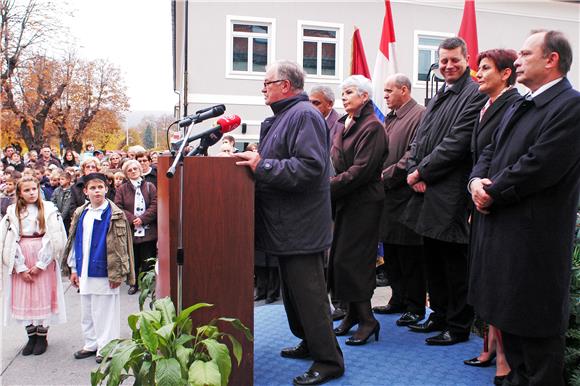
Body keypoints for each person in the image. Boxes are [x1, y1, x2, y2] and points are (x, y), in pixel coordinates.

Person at [469, 30, 580, 385]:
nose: (516, 60)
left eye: (525, 54)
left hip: (534, 242)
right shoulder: (520, 101)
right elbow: (489, 150)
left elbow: (539, 165)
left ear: (552, 60)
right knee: (511, 329)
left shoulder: (571, 106)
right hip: (501, 232)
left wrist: (492, 192)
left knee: (537, 341)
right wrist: (475, 182)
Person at [236, 60, 344, 386]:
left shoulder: (304, 115)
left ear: (285, 85)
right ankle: (310, 342)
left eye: (267, 83)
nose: (262, 88)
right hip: (286, 226)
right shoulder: (286, 116)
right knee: (294, 295)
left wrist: (263, 165)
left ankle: (329, 360)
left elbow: (311, 167)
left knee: (309, 296)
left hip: (301, 227)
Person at [401, 37, 487, 345]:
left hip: (450, 193)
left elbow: (457, 142)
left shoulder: (474, 93)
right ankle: (437, 315)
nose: (448, 66)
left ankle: (457, 325)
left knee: (454, 264)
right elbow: (420, 138)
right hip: (427, 190)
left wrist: (421, 171)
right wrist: (416, 169)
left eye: (455, 60)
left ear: (467, 61)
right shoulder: (439, 95)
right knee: (433, 260)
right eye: (443, 61)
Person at [462, 48, 520, 385]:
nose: (478, 74)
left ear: (506, 73)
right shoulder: (486, 105)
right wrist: (474, 190)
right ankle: (488, 347)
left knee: (497, 281)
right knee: (484, 278)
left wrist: (488, 193)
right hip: (480, 197)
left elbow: (506, 156)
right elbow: (481, 154)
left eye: (485, 69)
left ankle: (502, 356)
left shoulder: (513, 105)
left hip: (498, 201)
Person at [328, 75, 387, 346]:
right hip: (345, 200)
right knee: (341, 259)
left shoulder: (373, 126)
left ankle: (367, 319)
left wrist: (327, 187)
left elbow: (361, 170)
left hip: (363, 201)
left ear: (365, 96)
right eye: (343, 92)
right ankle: (351, 314)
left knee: (357, 261)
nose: (344, 96)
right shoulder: (343, 123)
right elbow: (337, 159)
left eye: (349, 92)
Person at [62, 172, 135, 363]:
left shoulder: (115, 214)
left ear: (106, 189)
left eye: (100, 187)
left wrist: (118, 273)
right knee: (87, 310)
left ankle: (107, 347)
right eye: (92, 188)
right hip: (84, 268)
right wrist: (74, 269)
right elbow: (74, 242)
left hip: (105, 270)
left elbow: (122, 246)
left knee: (105, 311)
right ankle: (91, 342)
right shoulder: (81, 213)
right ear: (85, 191)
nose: (97, 191)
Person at [372, 74, 427, 328]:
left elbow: (413, 154)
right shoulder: (390, 118)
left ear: (404, 90)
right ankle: (398, 298)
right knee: (392, 251)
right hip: (387, 197)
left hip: (406, 196)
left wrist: (386, 175)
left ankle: (415, 306)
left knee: (410, 254)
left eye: (388, 91)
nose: (384, 96)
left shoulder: (420, 115)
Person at [0, 176, 68, 356]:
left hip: (41, 254)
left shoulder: (48, 209)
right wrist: (20, 267)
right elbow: (9, 238)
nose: (31, 193)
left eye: (34, 189)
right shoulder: (13, 212)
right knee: (25, 297)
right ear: (20, 193)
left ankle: (42, 336)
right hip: (21, 254)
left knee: (42, 296)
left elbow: (53, 236)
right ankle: (30, 336)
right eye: (27, 190)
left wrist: (41, 264)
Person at [309, 85, 348, 321]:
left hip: (337, 196)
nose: (311, 107)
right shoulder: (312, 122)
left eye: (316, 103)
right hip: (318, 197)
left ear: (329, 105)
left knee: (335, 253)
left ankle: (340, 304)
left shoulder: (339, 125)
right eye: (310, 102)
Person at [114, 160, 157, 295]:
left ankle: (147, 285)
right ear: (126, 174)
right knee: (134, 259)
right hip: (131, 231)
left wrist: (143, 219)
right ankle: (133, 284)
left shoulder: (150, 186)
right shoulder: (122, 189)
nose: (133, 171)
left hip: (148, 230)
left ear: (140, 170)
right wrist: (133, 219)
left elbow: (155, 204)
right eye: (129, 170)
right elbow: (118, 207)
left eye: (135, 169)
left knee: (147, 259)